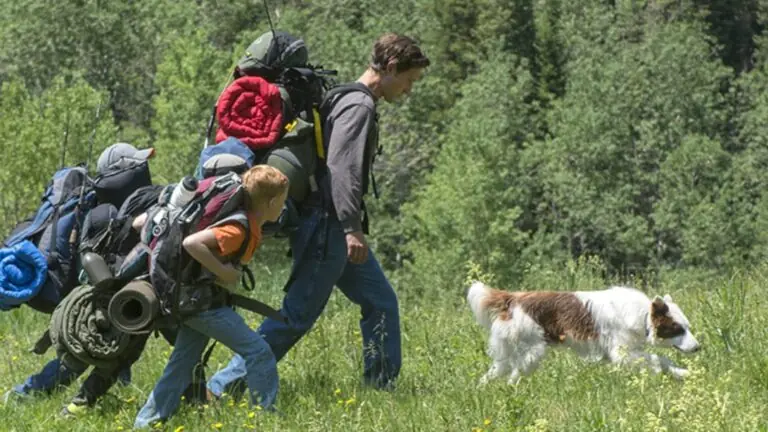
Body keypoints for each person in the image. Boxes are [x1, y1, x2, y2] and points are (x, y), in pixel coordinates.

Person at [206, 32, 431, 396]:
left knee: (381, 302)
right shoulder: (359, 106)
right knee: (295, 316)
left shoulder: (343, 96)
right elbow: (343, 170)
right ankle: (220, 389)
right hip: (328, 226)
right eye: (409, 80)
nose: (408, 90)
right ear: (390, 68)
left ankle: (380, 389)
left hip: (330, 226)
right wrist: (350, 228)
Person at [133, 165, 288, 429]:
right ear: (271, 201)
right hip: (202, 306)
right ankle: (264, 420)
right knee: (259, 353)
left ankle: (146, 423)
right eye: (283, 201)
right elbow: (191, 243)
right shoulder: (238, 228)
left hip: (193, 300)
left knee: (182, 364)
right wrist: (225, 272)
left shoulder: (249, 223)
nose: (284, 207)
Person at [4, 143, 155, 406]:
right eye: (138, 164)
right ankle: (23, 397)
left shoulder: (113, 206)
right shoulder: (104, 212)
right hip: (92, 297)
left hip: (105, 295)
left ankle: (119, 392)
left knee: (117, 346)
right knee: (80, 356)